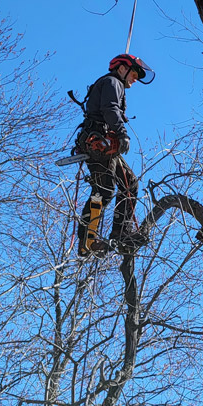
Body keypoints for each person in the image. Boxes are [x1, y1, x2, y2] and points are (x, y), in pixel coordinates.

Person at [76, 53, 154, 256]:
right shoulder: (112, 82)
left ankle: (121, 232)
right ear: (121, 68)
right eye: (134, 73)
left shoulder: (114, 85)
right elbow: (110, 109)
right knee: (105, 188)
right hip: (98, 143)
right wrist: (122, 133)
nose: (135, 78)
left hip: (106, 144)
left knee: (130, 183)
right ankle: (87, 240)